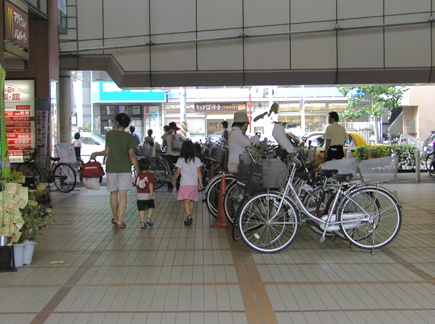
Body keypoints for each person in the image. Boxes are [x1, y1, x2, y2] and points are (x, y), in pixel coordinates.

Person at [91, 113, 139, 228]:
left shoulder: (110, 135)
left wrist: (96, 154)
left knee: (113, 192)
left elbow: (107, 151)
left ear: (117, 123)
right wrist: (138, 170)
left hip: (112, 167)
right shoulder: (130, 137)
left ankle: (115, 217)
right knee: (123, 193)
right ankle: (120, 220)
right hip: (125, 168)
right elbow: (131, 155)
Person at [171, 140, 203, 226]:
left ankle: (188, 216)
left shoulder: (180, 160)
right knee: (192, 200)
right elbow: (199, 172)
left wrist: (173, 180)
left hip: (184, 184)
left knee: (186, 200)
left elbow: (177, 172)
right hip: (194, 183)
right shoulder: (196, 160)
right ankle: (190, 216)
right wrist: (200, 182)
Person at [162, 122, 184, 191]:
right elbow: (185, 141)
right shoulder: (178, 135)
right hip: (177, 155)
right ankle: (178, 186)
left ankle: (170, 187)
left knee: (169, 171)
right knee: (179, 171)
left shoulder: (167, 136)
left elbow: (163, 139)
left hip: (169, 155)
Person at [135, 158, 155, 229]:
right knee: (150, 207)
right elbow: (150, 184)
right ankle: (148, 218)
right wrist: (151, 192)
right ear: (149, 166)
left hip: (140, 195)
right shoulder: (149, 175)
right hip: (148, 194)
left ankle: (142, 222)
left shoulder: (138, 175)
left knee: (141, 209)